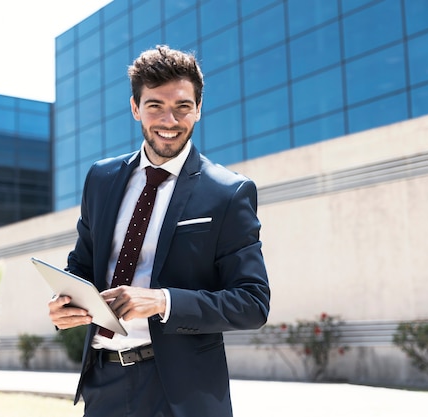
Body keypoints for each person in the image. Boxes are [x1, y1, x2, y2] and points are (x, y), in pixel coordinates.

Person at [48, 45, 270, 417]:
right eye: (155, 106)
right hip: (103, 383)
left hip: (181, 394)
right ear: (135, 108)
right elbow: (82, 265)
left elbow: (252, 303)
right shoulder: (101, 179)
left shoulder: (228, 192)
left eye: (183, 106)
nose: (169, 120)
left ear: (198, 109)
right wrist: (65, 304)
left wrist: (162, 301)